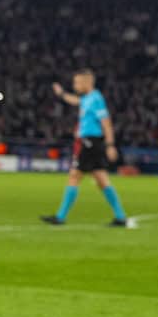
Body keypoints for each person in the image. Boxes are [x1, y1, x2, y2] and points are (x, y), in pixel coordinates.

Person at [41, 69, 130, 227]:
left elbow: (106, 122)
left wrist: (110, 145)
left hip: (90, 143)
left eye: (77, 82)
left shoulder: (96, 99)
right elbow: (75, 101)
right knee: (101, 180)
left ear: (87, 82)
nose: (75, 85)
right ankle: (120, 216)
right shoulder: (87, 99)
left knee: (75, 176)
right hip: (89, 142)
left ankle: (60, 217)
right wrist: (61, 94)